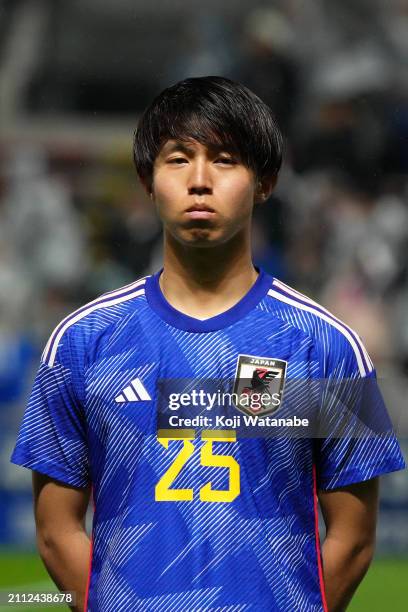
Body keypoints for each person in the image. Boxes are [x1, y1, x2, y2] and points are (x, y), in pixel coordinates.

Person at [11, 76, 405, 612]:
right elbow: (56, 529)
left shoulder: (327, 346)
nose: (199, 181)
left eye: (224, 159)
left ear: (264, 182)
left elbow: (354, 539)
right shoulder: (82, 343)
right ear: (148, 181)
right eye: (177, 159)